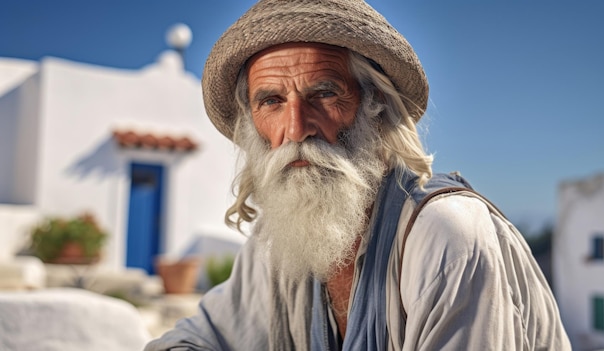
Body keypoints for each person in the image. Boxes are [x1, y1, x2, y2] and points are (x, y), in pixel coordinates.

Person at [146, 0, 571, 350]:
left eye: (324, 93)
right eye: (272, 101)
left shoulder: (445, 233)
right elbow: (199, 338)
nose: (296, 129)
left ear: (376, 107)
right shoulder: (279, 242)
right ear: (253, 124)